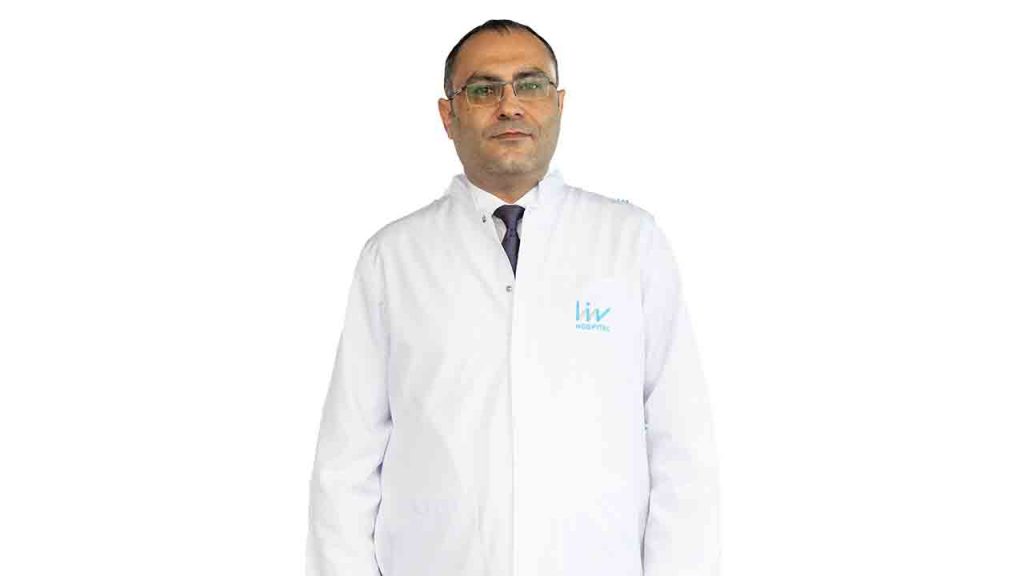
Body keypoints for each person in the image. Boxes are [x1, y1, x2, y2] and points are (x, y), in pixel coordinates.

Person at [305, 19, 720, 576]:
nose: (509, 105)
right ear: (448, 115)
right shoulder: (394, 257)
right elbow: (347, 464)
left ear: (559, 104)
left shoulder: (630, 242)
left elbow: (681, 447)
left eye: (530, 85)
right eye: (483, 89)